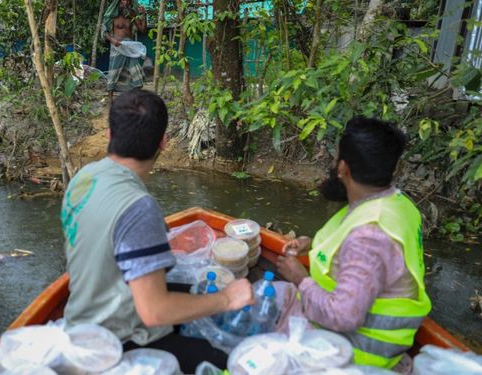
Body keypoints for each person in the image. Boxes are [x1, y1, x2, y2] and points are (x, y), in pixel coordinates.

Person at [60, 89, 254, 373]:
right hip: (114, 339)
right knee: (228, 359)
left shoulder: (85, 176)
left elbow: (109, 229)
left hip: (82, 314)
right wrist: (228, 299)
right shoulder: (138, 207)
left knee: (197, 291)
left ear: (109, 135)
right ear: (163, 142)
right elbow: (154, 312)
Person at [276, 117, 432, 371]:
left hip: (359, 353)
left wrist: (300, 279)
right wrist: (313, 244)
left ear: (343, 169)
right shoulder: (397, 203)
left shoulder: (369, 237)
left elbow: (343, 316)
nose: (332, 163)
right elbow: (369, 255)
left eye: (334, 158)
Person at [102, 0, 147, 104]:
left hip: (130, 46)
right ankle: (110, 101)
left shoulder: (132, 15)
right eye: (123, 1)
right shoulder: (112, 15)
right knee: (113, 73)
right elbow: (104, 32)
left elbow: (143, 29)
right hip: (116, 45)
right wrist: (113, 40)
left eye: (128, 1)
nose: (125, 2)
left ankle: (136, 100)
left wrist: (144, 15)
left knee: (136, 74)